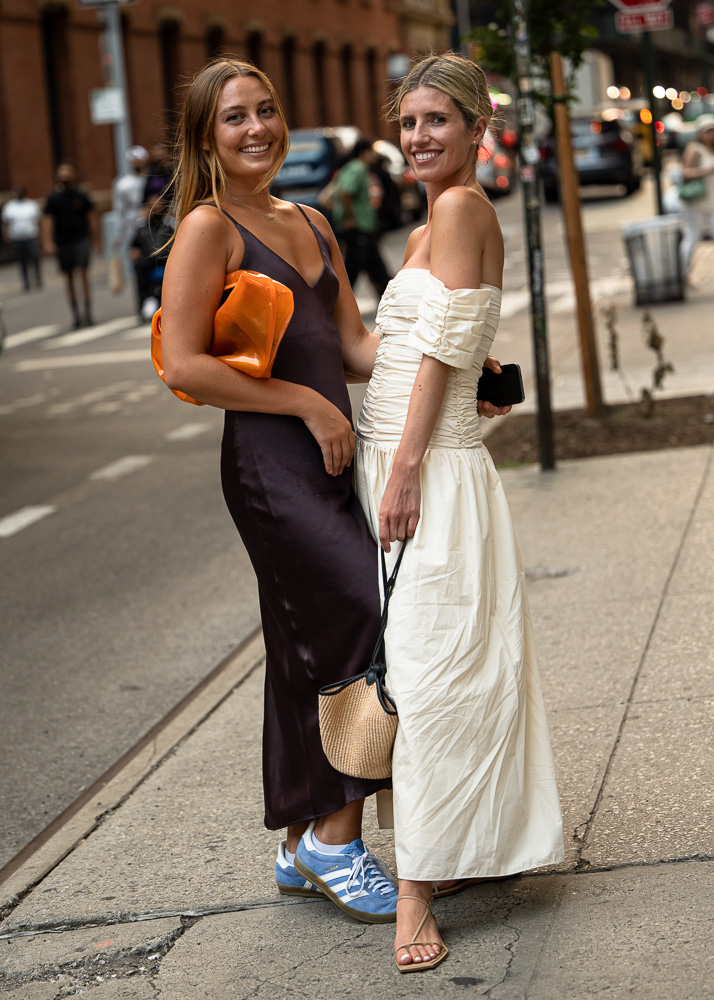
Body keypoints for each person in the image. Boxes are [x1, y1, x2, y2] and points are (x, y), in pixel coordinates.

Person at [158, 57, 403, 923]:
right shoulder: (208, 228)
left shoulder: (311, 218)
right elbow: (183, 364)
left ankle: (301, 839)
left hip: (333, 458)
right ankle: (340, 838)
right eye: (234, 118)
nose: (257, 127)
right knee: (374, 616)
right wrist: (304, 402)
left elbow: (353, 347)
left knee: (304, 645)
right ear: (206, 138)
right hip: (270, 466)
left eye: (266, 110)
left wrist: (446, 350)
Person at [351, 53, 564, 972]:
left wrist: (403, 466)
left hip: (426, 468)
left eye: (438, 120)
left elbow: (441, 350)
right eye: (408, 122)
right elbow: (379, 351)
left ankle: (414, 893)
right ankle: (464, 847)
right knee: (443, 661)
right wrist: (311, 265)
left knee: (435, 675)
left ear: (479, 129)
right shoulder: (423, 227)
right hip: (401, 458)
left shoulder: (464, 207)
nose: (419, 136)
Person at [332, 138, 392, 298]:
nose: (373, 156)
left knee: (376, 267)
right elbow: (345, 192)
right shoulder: (358, 169)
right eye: (371, 152)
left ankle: (389, 300)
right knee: (353, 270)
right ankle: (339, 303)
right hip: (359, 227)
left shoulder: (351, 168)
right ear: (364, 152)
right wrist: (351, 218)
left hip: (365, 227)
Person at [42, 163, 96, 328]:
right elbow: (47, 220)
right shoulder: (53, 198)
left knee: (84, 273)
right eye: (61, 173)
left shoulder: (80, 195)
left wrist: (96, 238)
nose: (65, 176)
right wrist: (48, 241)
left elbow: (91, 216)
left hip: (81, 239)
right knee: (69, 277)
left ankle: (88, 313)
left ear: (73, 174)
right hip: (63, 242)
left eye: (67, 172)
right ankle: (76, 315)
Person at [679, 113, 714, 280]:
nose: (710, 134)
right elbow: (684, 173)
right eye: (707, 131)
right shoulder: (694, 149)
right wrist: (704, 171)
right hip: (697, 201)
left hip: (712, 202)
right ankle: (682, 275)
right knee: (693, 236)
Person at [112, 145, 150, 292]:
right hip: (132, 227)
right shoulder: (122, 184)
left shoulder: (152, 178)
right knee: (137, 261)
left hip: (152, 223)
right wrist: (119, 234)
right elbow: (119, 209)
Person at [129, 194, 173, 320]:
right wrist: (134, 252)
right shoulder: (141, 228)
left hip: (166, 262)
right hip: (147, 264)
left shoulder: (169, 226)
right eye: (153, 205)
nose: (156, 208)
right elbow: (133, 246)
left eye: (159, 205)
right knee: (139, 270)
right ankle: (145, 303)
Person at [1, 186, 42, 291]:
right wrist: (6, 235)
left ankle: (37, 278)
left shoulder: (31, 205)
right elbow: (6, 223)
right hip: (17, 238)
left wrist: (40, 235)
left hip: (31, 236)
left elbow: (38, 221)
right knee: (21, 260)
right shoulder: (10, 206)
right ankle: (26, 282)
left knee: (34, 257)